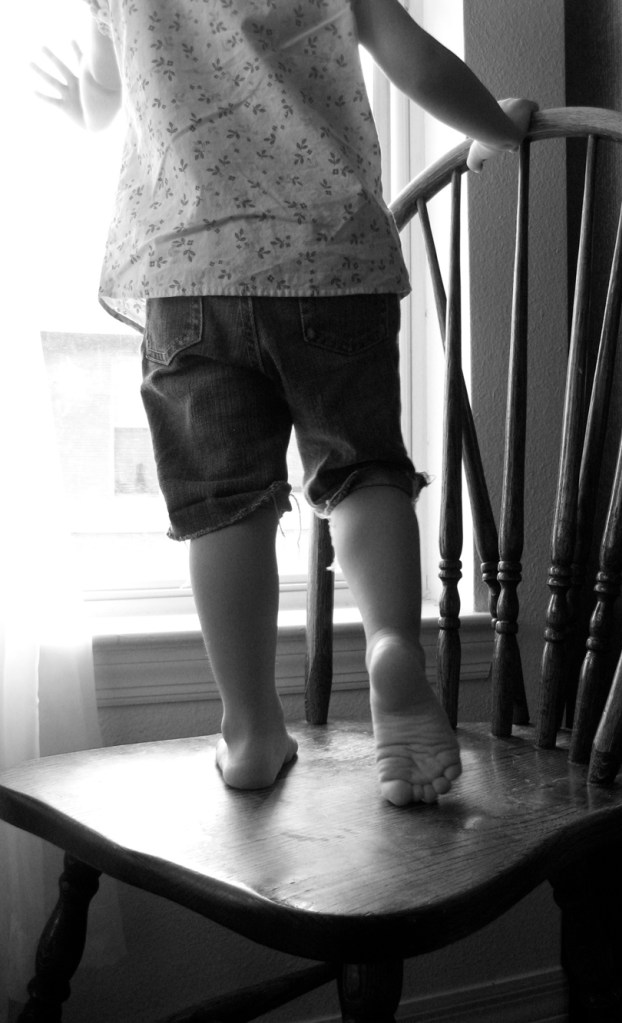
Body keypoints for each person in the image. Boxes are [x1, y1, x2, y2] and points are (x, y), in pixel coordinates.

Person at [33, 0, 537, 806]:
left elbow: (102, 94)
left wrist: (78, 106)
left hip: (185, 271)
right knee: (363, 471)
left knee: (224, 506)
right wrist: (499, 130)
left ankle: (251, 727)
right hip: (328, 258)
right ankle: (391, 646)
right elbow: (419, 64)